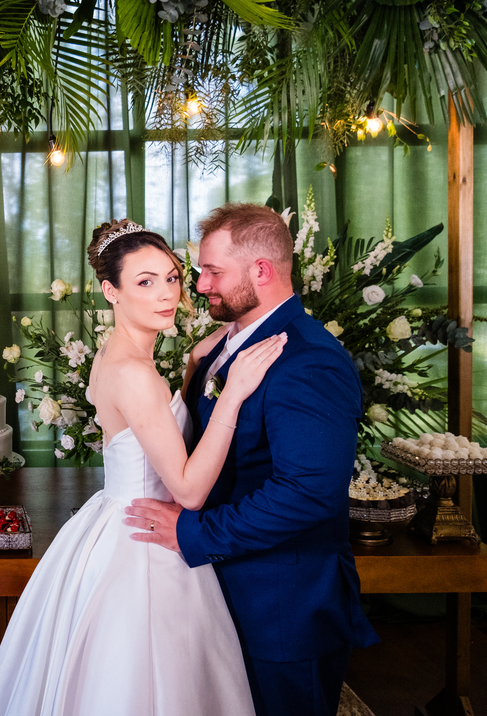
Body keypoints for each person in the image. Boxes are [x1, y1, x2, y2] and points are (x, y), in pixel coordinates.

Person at [0, 219, 287, 716]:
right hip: (147, 540)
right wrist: (231, 395)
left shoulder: (115, 353)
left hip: (116, 519)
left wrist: (193, 368)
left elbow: (152, 426)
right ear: (111, 291)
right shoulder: (133, 373)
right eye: (145, 282)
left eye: (171, 277)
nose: (166, 293)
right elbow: (188, 491)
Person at [124, 203, 380, 716]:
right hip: (225, 591)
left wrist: (193, 533)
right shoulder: (227, 345)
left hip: (282, 608)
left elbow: (307, 493)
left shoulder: (308, 360)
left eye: (213, 272)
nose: (199, 285)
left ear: (261, 270)